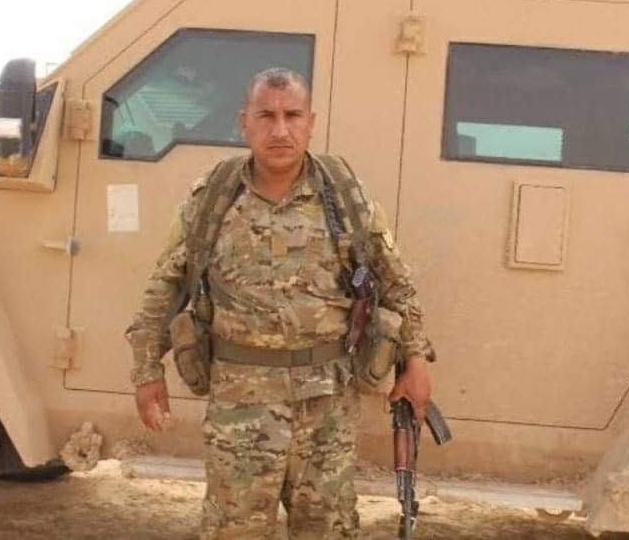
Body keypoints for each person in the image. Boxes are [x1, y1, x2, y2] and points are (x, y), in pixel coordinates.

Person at [125, 67, 435, 539]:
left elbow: (395, 281)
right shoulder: (212, 199)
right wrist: (147, 371)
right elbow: (165, 287)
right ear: (243, 123)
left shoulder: (345, 196)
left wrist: (415, 361)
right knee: (233, 531)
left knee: (328, 531)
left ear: (311, 122)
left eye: (292, 115)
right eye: (266, 116)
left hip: (327, 409)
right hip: (240, 409)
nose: (280, 130)